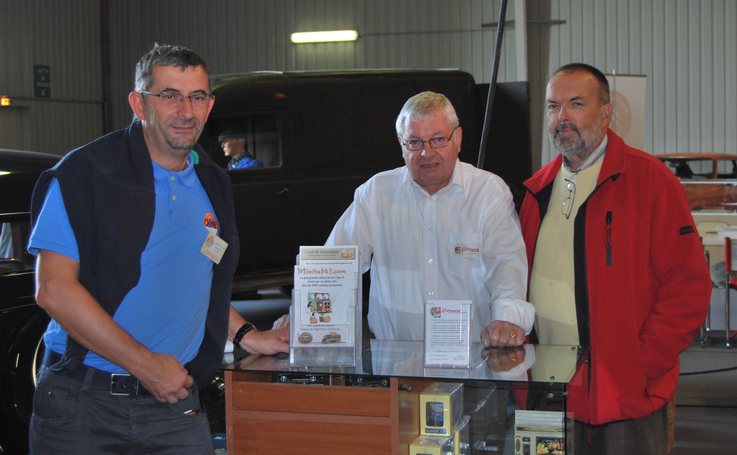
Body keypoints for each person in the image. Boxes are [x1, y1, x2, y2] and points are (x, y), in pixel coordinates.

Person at [27, 43, 289, 454]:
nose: (186, 111)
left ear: (210, 104)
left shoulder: (212, 183)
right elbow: (54, 290)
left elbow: (201, 275)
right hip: (83, 405)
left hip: (173, 402)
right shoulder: (85, 175)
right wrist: (146, 366)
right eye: (169, 96)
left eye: (197, 97)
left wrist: (245, 335)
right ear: (138, 103)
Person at [519, 63, 711, 454]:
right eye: (553, 106)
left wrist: (638, 365)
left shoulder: (652, 183)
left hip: (625, 399)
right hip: (546, 395)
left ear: (606, 113)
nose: (562, 117)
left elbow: (688, 288)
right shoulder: (534, 193)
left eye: (576, 104)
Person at [326, 91, 534, 347]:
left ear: (457, 138)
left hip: (474, 362)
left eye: (437, 139)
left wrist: (508, 317)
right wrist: (306, 315)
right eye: (415, 142)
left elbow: (505, 262)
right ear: (401, 144)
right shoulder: (375, 195)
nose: (427, 153)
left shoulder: (488, 191)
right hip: (396, 365)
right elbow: (335, 265)